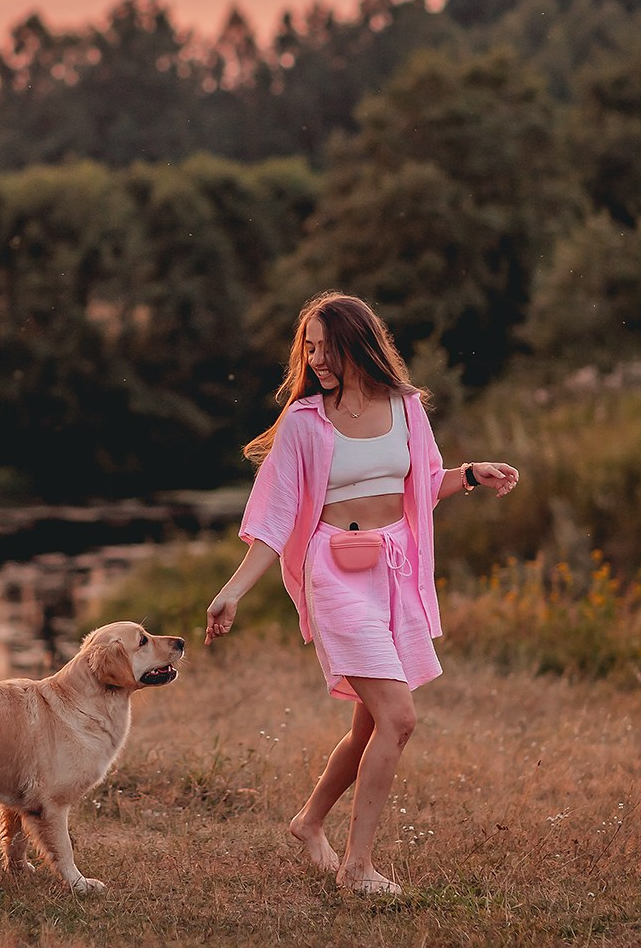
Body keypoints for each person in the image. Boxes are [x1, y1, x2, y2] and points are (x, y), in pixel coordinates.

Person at [205, 292, 519, 896]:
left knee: (370, 725)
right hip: (335, 573)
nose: (316, 358)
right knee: (399, 719)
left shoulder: (407, 409)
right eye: (309, 348)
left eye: (326, 346)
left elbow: (421, 486)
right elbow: (275, 519)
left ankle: (308, 822)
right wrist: (233, 591)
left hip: (393, 570)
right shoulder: (305, 422)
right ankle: (358, 867)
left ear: (358, 344)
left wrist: (470, 475)